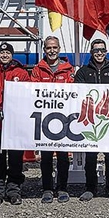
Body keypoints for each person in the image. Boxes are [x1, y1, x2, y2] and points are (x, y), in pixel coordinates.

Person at [0, 43, 30, 206]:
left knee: (16, 159)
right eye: (2, 53)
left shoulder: (21, 74)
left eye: (7, 53)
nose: (4, 55)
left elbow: (28, 95)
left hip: (16, 125)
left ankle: (14, 190)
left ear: (12, 55)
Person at [30, 36, 76, 204]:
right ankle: (47, 189)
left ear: (59, 49)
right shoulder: (37, 69)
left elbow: (74, 92)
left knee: (63, 156)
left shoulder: (68, 69)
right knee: (46, 156)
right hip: (45, 119)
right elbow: (32, 91)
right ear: (44, 49)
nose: (52, 50)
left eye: (54, 47)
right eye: (49, 48)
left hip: (64, 119)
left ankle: (63, 188)